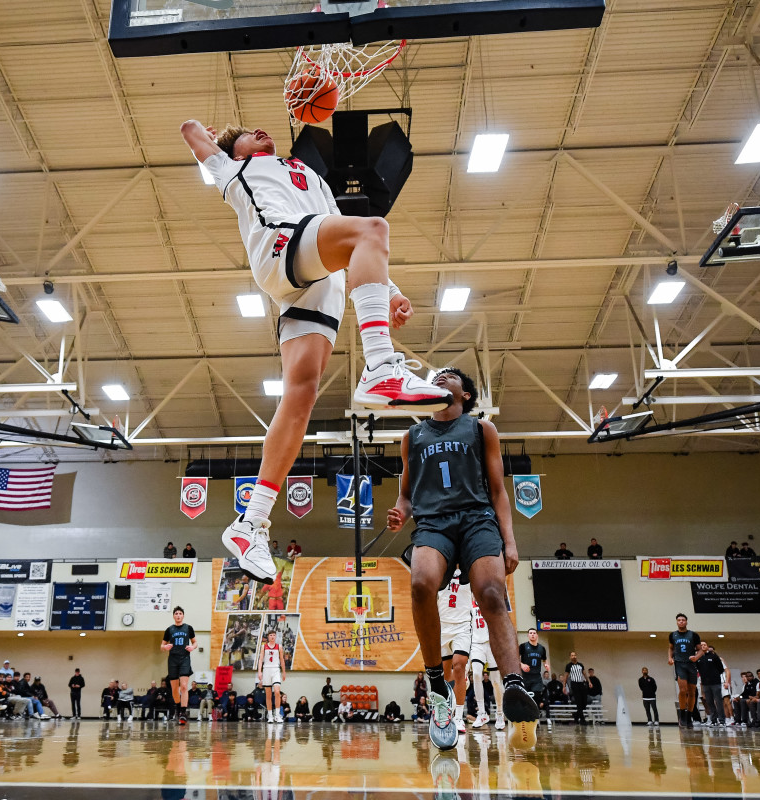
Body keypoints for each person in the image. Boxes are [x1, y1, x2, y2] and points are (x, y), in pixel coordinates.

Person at [181, 120, 451, 586]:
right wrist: (215, 135)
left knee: (299, 399)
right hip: (282, 244)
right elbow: (190, 131)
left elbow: (350, 239)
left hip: (317, 278)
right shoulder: (231, 169)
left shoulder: (311, 174)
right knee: (375, 227)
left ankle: (251, 523)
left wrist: (391, 293)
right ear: (236, 149)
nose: (261, 130)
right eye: (248, 131)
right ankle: (382, 368)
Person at [386, 366, 537, 752]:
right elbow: (406, 494)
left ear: (466, 394)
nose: (439, 376)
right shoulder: (412, 436)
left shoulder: (481, 429)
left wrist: (510, 540)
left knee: (490, 591)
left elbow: (500, 491)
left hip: (476, 518)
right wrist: (400, 511)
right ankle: (436, 682)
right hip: (434, 523)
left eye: (449, 375)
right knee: (420, 583)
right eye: (435, 375)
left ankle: (514, 684)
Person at [435, 569, 472, 735]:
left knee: (459, 666)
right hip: (443, 625)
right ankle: (450, 698)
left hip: (462, 625)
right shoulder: (441, 572)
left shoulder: (468, 572)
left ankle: (458, 716)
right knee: (444, 676)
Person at [469, 598, 504, 730]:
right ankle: (482, 713)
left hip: (492, 643)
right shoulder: (469, 603)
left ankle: (500, 713)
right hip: (476, 643)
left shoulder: (490, 600)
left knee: (495, 681)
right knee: (477, 675)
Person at [162, 606, 197, 725]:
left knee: (183, 686)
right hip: (172, 660)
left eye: (180, 613)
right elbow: (162, 646)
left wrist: (193, 647)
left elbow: (195, 642)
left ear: (183, 615)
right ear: (173, 616)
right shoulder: (169, 630)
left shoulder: (188, 628)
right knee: (174, 689)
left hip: (184, 659)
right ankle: (178, 708)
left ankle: (183, 712)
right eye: (176, 613)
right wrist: (165, 647)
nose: (178, 615)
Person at [668, 613, 700, 728]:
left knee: (692, 692)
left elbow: (700, 650)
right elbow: (671, 648)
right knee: (683, 690)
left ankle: (689, 716)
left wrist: (696, 657)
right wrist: (670, 658)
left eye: (683, 620)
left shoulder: (694, 635)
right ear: (676, 622)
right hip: (680, 664)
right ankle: (682, 715)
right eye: (679, 620)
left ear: (686, 622)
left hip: (691, 665)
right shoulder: (673, 635)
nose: (681, 622)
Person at [695, 642, 729, 727]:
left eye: (704, 645)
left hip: (715, 683)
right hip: (705, 684)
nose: (703, 646)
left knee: (718, 701)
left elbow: (721, 669)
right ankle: (713, 720)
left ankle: (722, 721)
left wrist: (714, 675)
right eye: (701, 645)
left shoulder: (713, 656)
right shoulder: (698, 658)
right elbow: (698, 669)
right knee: (709, 702)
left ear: (707, 647)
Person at [257, 629, 287, 723]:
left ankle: (277, 715)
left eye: (274, 635)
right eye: (271, 635)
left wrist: (284, 672)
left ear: (276, 636)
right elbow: (261, 660)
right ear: (268, 637)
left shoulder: (279, 647)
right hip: (266, 670)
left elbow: (282, 660)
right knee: (268, 695)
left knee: (277, 692)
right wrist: (259, 672)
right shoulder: (264, 647)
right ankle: (270, 716)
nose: (272, 637)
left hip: (276, 670)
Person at [519, 628, 549, 716]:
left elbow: (544, 660)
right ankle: (525, 716)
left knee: (536, 696)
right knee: (525, 698)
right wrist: (522, 665)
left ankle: (534, 716)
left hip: (536, 677)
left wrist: (546, 665)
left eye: (534, 633)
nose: (532, 634)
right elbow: (517, 659)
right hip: (525, 677)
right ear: (528, 635)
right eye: (530, 633)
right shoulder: (523, 646)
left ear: (537, 635)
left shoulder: (542, 648)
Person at [564, 652, 589, 724]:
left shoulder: (580, 665)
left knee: (584, 702)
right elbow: (566, 676)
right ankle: (582, 719)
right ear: (570, 657)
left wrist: (589, 682)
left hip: (581, 683)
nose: (573, 657)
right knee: (578, 702)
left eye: (574, 655)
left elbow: (584, 674)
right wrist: (564, 686)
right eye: (572, 655)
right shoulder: (568, 666)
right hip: (574, 684)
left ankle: (576, 715)